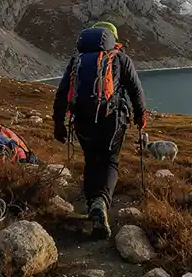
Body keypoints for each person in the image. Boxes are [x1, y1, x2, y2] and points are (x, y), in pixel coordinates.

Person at [52, 22, 146, 239]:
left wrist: (58, 123)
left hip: (83, 121)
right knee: (110, 160)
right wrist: (140, 116)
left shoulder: (77, 60)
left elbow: (62, 92)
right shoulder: (120, 58)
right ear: (113, 38)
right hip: (112, 121)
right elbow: (135, 89)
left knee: (91, 160)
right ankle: (101, 203)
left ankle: (91, 203)